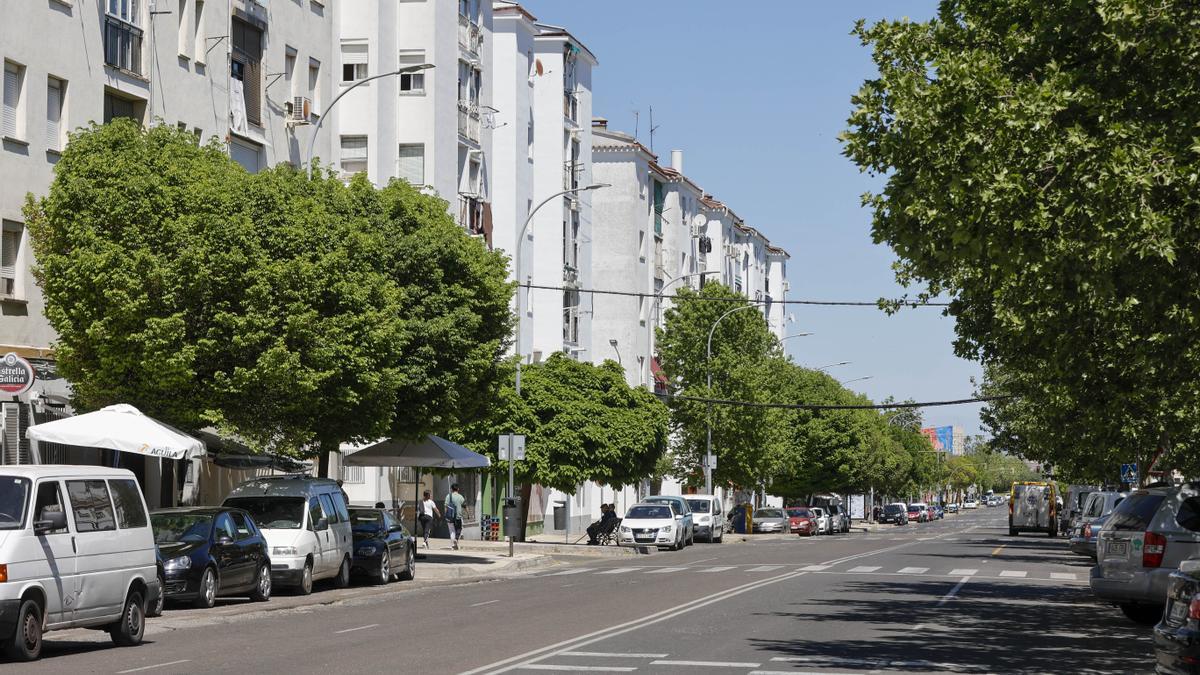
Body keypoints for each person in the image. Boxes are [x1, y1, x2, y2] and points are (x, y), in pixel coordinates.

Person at [444, 484, 466, 550]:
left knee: (452, 531)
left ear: (451, 489)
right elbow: (464, 505)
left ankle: (453, 545)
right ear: (458, 489)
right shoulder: (460, 497)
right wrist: (467, 513)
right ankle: (456, 539)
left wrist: (446, 515)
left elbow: (445, 506)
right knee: (459, 529)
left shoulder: (448, 496)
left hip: (450, 516)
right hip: (458, 516)